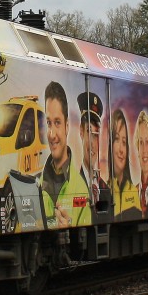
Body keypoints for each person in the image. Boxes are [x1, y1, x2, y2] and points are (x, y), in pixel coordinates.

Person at [39, 81, 89, 228]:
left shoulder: (81, 190)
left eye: (57, 122)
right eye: (49, 123)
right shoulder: (38, 185)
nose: (52, 134)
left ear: (67, 126)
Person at [77, 91, 110, 213]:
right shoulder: (73, 183)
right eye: (88, 130)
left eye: (95, 134)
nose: (92, 143)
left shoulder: (107, 190)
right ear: (81, 131)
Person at [110, 107, 140, 221]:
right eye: (117, 139)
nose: (121, 149)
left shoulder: (133, 192)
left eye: (124, 142)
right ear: (110, 145)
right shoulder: (104, 190)